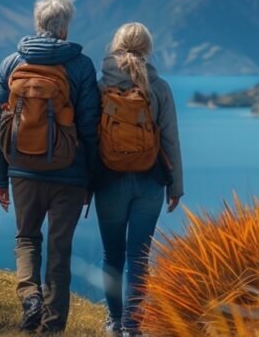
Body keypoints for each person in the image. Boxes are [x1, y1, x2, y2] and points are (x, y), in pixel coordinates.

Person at [0, 0, 101, 334]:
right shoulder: (81, 66)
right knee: (59, 250)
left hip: (22, 169)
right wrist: (90, 182)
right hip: (69, 174)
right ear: (65, 27)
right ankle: (51, 328)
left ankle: (30, 297)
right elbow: (89, 127)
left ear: (37, 24)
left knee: (26, 238)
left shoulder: (12, 64)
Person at [95, 22, 184, 336]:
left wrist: (84, 185)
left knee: (112, 255)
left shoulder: (101, 84)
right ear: (147, 48)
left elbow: (89, 136)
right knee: (139, 257)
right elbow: (170, 139)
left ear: (116, 46)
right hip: (150, 181)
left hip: (108, 181)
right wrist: (176, 186)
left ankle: (114, 323)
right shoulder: (158, 86)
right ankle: (134, 325)